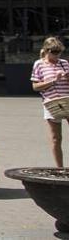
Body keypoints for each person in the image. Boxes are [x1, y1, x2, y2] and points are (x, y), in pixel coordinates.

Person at [32, 36, 69, 167]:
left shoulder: (64, 63)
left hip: (67, 99)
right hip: (51, 102)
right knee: (56, 138)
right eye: (54, 52)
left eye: (59, 52)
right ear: (47, 51)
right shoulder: (39, 64)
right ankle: (60, 168)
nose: (57, 55)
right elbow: (35, 86)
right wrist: (54, 80)